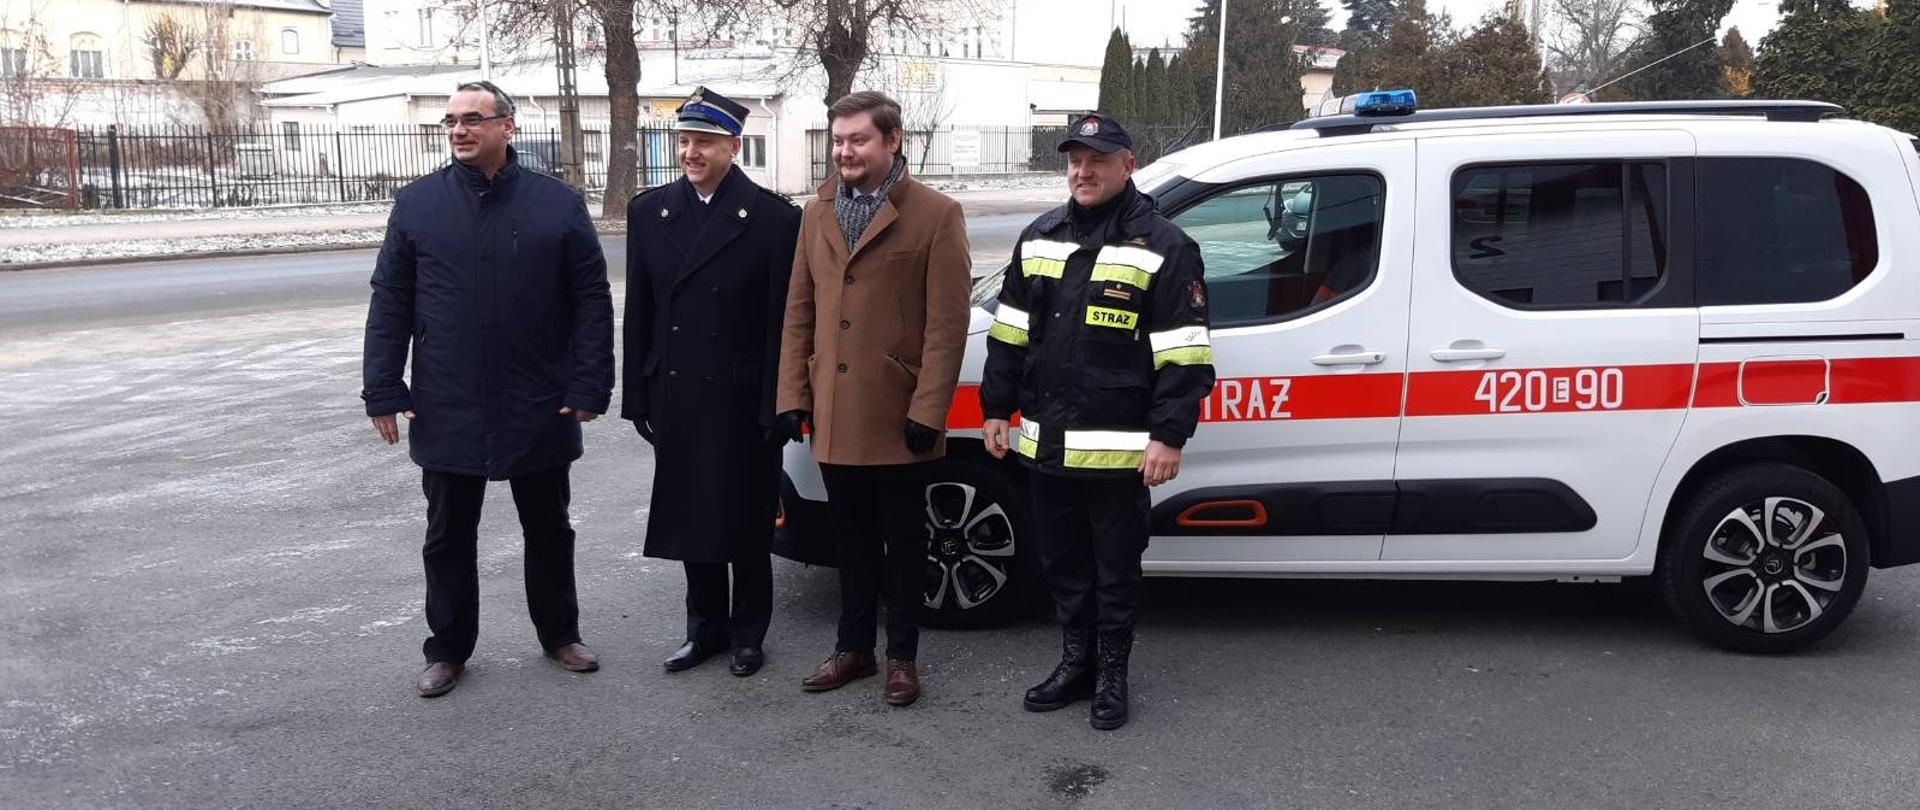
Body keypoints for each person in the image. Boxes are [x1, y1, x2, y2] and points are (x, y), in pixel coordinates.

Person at [362, 80, 615, 698]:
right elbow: (391, 300)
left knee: (550, 527)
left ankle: (560, 634)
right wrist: (383, 388)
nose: (459, 130)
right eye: (450, 121)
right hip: (447, 398)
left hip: (539, 396)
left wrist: (589, 383)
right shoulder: (418, 204)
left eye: (473, 119)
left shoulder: (557, 204)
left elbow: (590, 300)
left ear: (509, 127)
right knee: (448, 534)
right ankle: (447, 650)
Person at [978, 112, 1215, 730]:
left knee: (1115, 569)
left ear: (1127, 166)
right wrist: (996, 408)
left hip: (1120, 450)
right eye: (1075, 160)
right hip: (1047, 442)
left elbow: (1185, 353)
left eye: (1098, 160)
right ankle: (1075, 663)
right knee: (1061, 562)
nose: (1083, 171)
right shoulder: (1041, 234)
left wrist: (1169, 435)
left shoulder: (1164, 245)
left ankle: (1112, 675)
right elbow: (1007, 335)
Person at [774, 91, 971, 707]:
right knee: (849, 538)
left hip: (898, 410)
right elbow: (799, 309)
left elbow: (948, 323)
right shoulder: (817, 211)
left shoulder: (937, 214)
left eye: (858, 139)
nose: (845, 152)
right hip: (834, 409)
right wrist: (793, 392)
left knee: (905, 540)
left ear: (892, 141)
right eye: (837, 140)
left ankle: (903, 658)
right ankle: (853, 648)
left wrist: (929, 409)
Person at [623, 87, 801, 677]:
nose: (689, 152)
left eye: (703, 141)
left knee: (747, 518)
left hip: (744, 393)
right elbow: (642, 311)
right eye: (683, 141)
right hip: (678, 388)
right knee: (691, 514)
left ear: (733, 145)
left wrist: (783, 399)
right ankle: (704, 630)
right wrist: (638, 392)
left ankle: (749, 633)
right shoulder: (650, 211)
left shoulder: (776, 218)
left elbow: (784, 319)